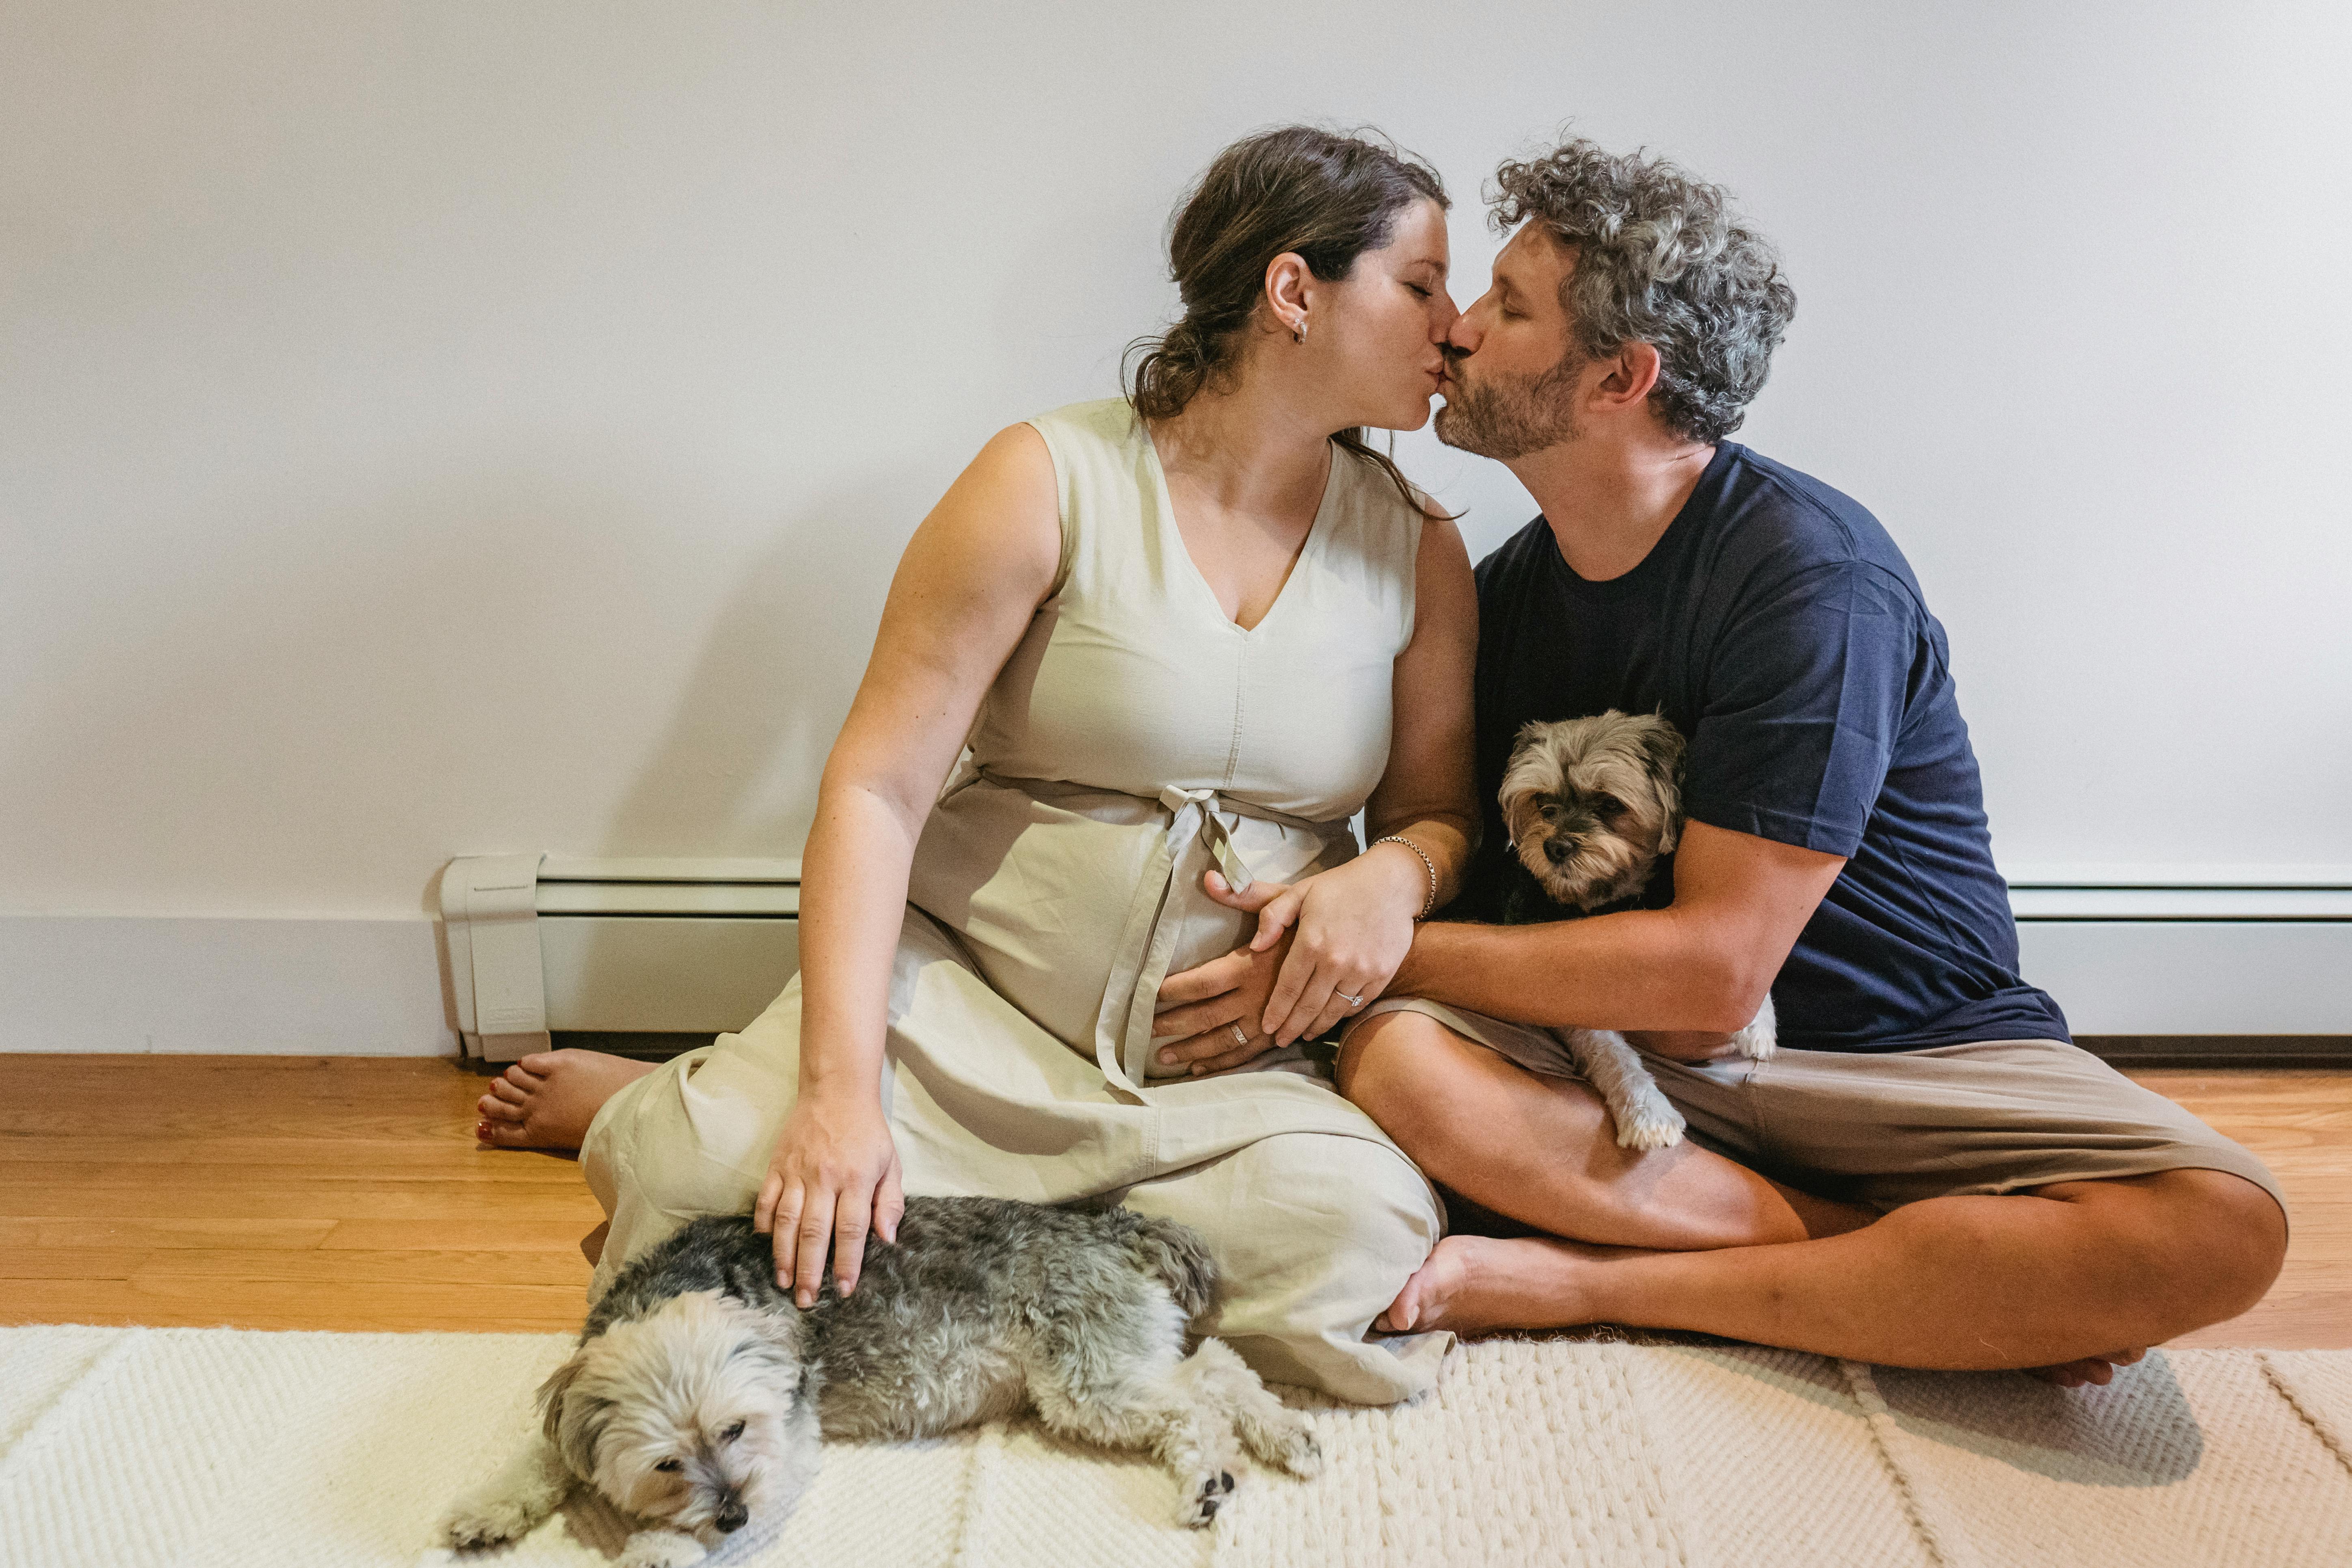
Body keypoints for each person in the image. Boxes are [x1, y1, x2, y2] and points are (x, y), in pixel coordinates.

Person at [1158, 137, 2288, 1388]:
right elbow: (1459, 852)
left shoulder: (1810, 577)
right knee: (1402, 1063)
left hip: (1897, 1051)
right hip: (1633, 1066)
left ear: (1618, 378)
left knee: (2219, 1228)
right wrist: (1374, 914)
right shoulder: (1498, 596)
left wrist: (1371, 955)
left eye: (1506, 306)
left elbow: (1711, 973)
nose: (1459, 331)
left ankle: (1597, 1283)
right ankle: (1901, 1271)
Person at [473, 125, 1482, 1404]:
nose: (1456, 327)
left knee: (1355, 1241)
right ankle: (674, 1108)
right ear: (1294, 292)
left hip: (1215, 1076)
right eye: (1422, 285)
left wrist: (1394, 873)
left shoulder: (1418, 545)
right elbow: (874, 789)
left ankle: (962, 1259)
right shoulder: (1042, 480)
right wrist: (840, 1099)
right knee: (703, 1185)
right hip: (962, 1017)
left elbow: (1438, 815)